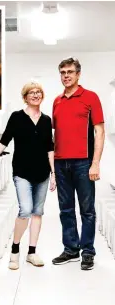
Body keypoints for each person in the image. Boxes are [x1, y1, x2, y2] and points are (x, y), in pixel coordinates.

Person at [0, 81, 56, 270]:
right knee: (25, 210)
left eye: (39, 92)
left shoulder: (46, 120)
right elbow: (4, 141)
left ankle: (32, 253)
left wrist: (54, 173)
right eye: (32, 93)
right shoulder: (17, 117)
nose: (36, 95)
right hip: (22, 172)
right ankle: (15, 249)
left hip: (43, 173)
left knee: (38, 212)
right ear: (25, 97)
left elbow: (50, 148)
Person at [52, 57, 105, 270]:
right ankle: (71, 249)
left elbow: (99, 132)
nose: (66, 75)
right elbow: (57, 134)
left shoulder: (91, 97)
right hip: (60, 163)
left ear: (78, 74)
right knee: (65, 209)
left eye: (70, 72)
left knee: (87, 210)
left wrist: (95, 163)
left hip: (84, 162)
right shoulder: (57, 101)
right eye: (63, 72)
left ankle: (88, 252)